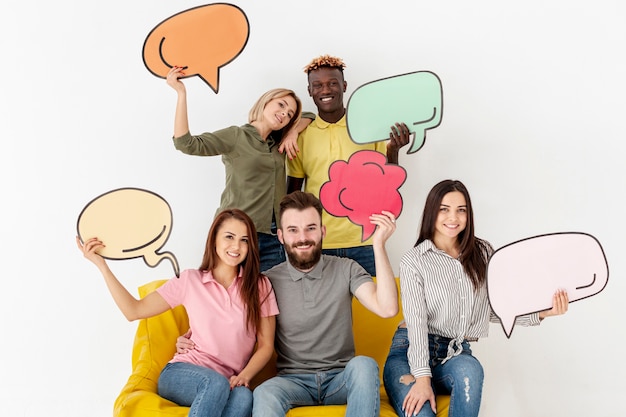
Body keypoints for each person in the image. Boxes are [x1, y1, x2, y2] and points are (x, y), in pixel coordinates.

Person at [177, 191, 399, 417]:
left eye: (310, 228)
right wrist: (192, 338)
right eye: (293, 230)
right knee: (264, 392)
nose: (303, 237)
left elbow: (387, 308)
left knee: (365, 365)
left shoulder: (346, 268)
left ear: (322, 231)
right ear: (281, 236)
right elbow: (227, 318)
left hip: (339, 379)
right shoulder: (266, 282)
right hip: (293, 382)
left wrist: (378, 246)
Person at [382, 179, 569, 417]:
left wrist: (543, 312)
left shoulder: (483, 253)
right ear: (432, 212)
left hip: (455, 353)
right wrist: (421, 379)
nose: (453, 217)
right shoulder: (414, 261)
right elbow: (417, 323)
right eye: (444, 209)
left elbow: (492, 308)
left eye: (461, 210)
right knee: (422, 414)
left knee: (471, 370)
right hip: (410, 353)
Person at [76, 209, 279, 417]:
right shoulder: (190, 281)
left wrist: (244, 376)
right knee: (215, 383)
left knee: (244, 397)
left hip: (227, 381)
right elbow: (134, 310)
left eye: (244, 240)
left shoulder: (259, 286)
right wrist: (103, 267)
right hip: (182, 374)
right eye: (229, 236)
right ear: (214, 239)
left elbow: (266, 345)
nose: (236, 246)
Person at [283, 54, 411, 276]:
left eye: (332, 83)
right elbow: (293, 194)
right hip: (318, 243)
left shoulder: (367, 129)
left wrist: (394, 150)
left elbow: (388, 180)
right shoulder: (302, 136)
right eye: (318, 85)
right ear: (309, 90)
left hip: (365, 239)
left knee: (371, 309)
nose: (325, 90)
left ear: (344, 86)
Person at [166, 66, 303, 272]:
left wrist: (293, 132)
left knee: (271, 297)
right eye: (281, 105)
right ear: (265, 102)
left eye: (289, 114)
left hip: (274, 235)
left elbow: (309, 115)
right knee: (230, 296)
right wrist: (181, 93)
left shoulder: (278, 144)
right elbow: (186, 144)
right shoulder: (236, 136)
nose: (284, 113)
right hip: (237, 233)